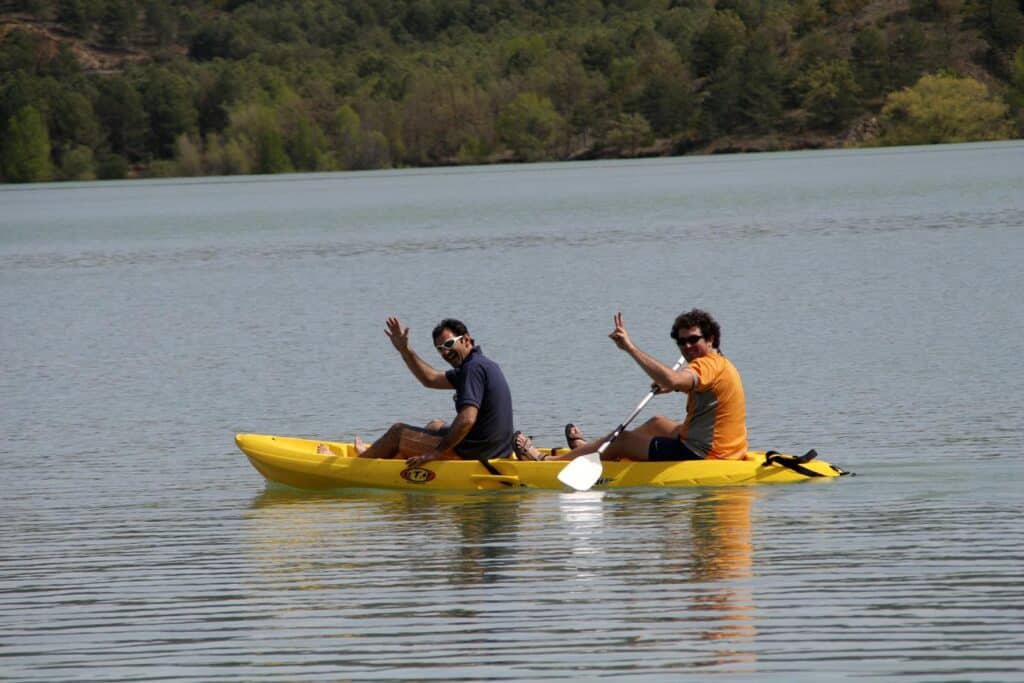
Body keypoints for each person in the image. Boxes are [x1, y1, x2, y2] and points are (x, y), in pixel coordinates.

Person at [516, 309, 746, 462]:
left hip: (705, 455)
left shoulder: (706, 366)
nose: (687, 346)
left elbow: (675, 379)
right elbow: (690, 385)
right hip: (729, 447)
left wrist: (630, 348)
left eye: (694, 339)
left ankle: (550, 462)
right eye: (682, 342)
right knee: (658, 422)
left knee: (623, 439)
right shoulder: (720, 363)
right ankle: (598, 450)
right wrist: (671, 386)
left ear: (711, 339)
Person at [344, 316, 515, 467]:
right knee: (435, 425)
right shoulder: (480, 364)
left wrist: (435, 453)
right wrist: (405, 350)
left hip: (475, 455)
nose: (445, 352)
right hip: (497, 449)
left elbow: (467, 419)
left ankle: (357, 464)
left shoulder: (472, 369)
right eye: (440, 349)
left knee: (398, 432)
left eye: (448, 344)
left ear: (466, 340)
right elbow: (430, 379)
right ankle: (391, 462)